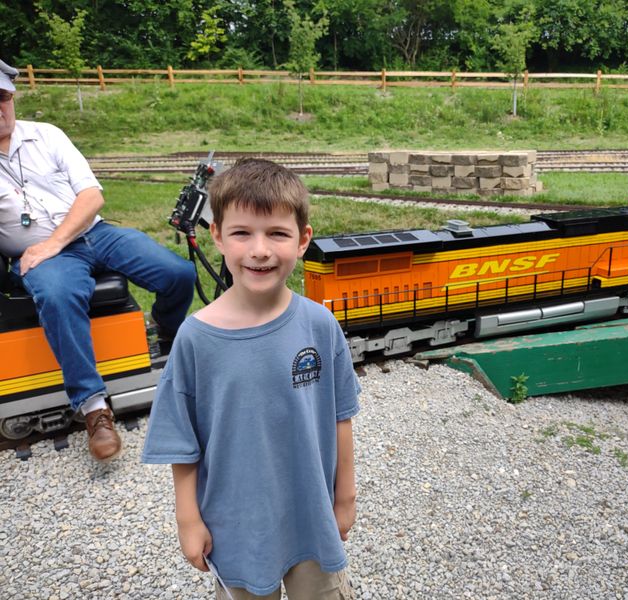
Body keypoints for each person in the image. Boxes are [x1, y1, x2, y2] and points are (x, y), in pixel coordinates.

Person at [141, 158, 360, 599]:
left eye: (277, 233)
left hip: (311, 515)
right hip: (236, 526)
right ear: (218, 236)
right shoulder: (195, 339)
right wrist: (188, 519)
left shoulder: (320, 325)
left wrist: (345, 497)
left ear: (303, 240)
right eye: (242, 233)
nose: (259, 249)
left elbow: (341, 416)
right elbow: (181, 443)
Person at [0, 59, 196, 462]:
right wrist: (48, 249)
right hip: (41, 256)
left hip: (96, 233)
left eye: (1, 97)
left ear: (12, 96)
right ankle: (93, 407)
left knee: (178, 272)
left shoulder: (47, 136)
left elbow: (92, 196)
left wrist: (55, 241)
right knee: (56, 297)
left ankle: (168, 329)